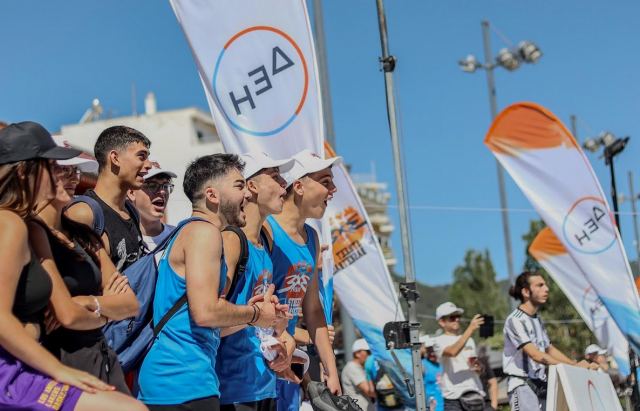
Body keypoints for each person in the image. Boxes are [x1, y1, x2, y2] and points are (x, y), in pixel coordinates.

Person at [0, 121, 145, 411]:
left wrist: (86, 306)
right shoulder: (12, 224)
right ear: (26, 170)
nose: (63, 175)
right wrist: (59, 370)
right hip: (11, 375)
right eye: (53, 166)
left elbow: (131, 304)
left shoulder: (21, 224)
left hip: (26, 365)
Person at [137, 153, 283, 411]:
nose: (247, 195)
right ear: (212, 195)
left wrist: (263, 318)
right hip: (180, 383)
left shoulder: (193, 231)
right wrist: (255, 313)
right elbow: (205, 313)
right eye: (239, 186)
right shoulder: (204, 233)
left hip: (186, 381)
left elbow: (206, 323)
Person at [29, 154, 140, 393]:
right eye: (63, 170)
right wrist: (108, 309)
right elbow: (67, 315)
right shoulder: (31, 232)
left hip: (100, 358)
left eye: (75, 171)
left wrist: (88, 302)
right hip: (58, 361)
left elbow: (131, 304)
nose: (72, 177)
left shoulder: (83, 234)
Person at [262, 149, 342, 411]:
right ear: (298, 186)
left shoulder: (312, 237)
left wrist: (330, 370)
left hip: (289, 360)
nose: (333, 190)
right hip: (261, 360)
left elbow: (313, 310)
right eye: (326, 182)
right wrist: (297, 337)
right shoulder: (266, 230)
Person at [217, 151, 296, 411]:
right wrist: (256, 316)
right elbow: (210, 317)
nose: (285, 184)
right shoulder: (231, 240)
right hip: (232, 387)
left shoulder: (263, 242)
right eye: (275, 177)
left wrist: (279, 330)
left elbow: (259, 321)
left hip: (262, 381)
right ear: (251, 186)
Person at [503, 271, 597, 411]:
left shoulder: (537, 318)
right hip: (522, 386)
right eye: (540, 285)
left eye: (545, 285)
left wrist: (574, 364)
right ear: (526, 292)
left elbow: (549, 349)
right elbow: (537, 355)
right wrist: (575, 367)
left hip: (540, 384)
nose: (546, 288)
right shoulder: (515, 320)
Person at [65, 125, 152, 271]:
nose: (149, 165)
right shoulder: (84, 214)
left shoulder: (131, 210)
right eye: (141, 156)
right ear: (115, 158)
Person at [432, 302, 487, 411]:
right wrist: (470, 329)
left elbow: (475, 365)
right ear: (442, 322)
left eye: (458, 316)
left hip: (475, 393)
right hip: (454, 398)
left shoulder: (469, 340)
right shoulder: (437, 341)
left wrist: (479, 368)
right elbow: (453, 352)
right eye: (452, 317)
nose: (457, 319)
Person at [128, 161, 177, 250]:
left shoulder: (179, 238)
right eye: (152, 185)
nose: (162, 191)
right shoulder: (119, 241)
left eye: (165, 186)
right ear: (131, 192)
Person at [342, 339, 375, 411]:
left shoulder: (361, 367)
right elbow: (370, 392)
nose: (371, 355)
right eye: (368, 352)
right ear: (357, 353)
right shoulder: (352, 367)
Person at [420, 335, 443, 411]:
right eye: (429, 350)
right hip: (430, 407)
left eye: (434, 351)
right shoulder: (422, 365)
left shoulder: (443, 365)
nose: (432, 353)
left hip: (447, 405)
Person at [476, 346, 497, 411]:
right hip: (464, 403)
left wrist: (494, 405)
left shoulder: (481, 360)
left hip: (485, 403)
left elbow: (493, 382)